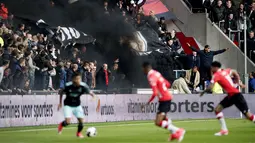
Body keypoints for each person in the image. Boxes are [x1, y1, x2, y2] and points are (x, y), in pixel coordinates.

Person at [200, 61, 255, 136]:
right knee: (217, 109)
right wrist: (237, 82)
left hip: (236, 95)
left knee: (248, 115)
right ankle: (224, 130)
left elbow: (210, 88)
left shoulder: (216, 75)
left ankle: (224, 130)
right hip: (231, 96)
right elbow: (234, 71)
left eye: (212, 67)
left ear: (215, 67)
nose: (211, 69)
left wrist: (203, 92)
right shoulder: (225, 71)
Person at [142, 62, 186, 142]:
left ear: (145, 68)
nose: (142, 71)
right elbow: (168, 84)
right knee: (164, 119)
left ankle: (178, 131)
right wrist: (161, 89)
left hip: (164, 99)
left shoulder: (151, 76)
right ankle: (174, 133)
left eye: (142, 69)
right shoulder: (156, 73)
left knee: (158, 122)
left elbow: (155, 92)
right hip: (166, 98)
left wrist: (147, 103)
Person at [57, 73, 100, 138]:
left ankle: (78, 133)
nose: (78, 80)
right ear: (73, 79)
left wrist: (93, 97)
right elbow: (61, 93)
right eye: (77, 79)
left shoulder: (83, 86)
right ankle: (61, 125)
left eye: (79, 79)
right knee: (68, 122)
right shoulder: (68, 85)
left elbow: (91, 93)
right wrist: (60, 103)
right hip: (68, 105)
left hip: (77, 105)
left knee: (81, 122)